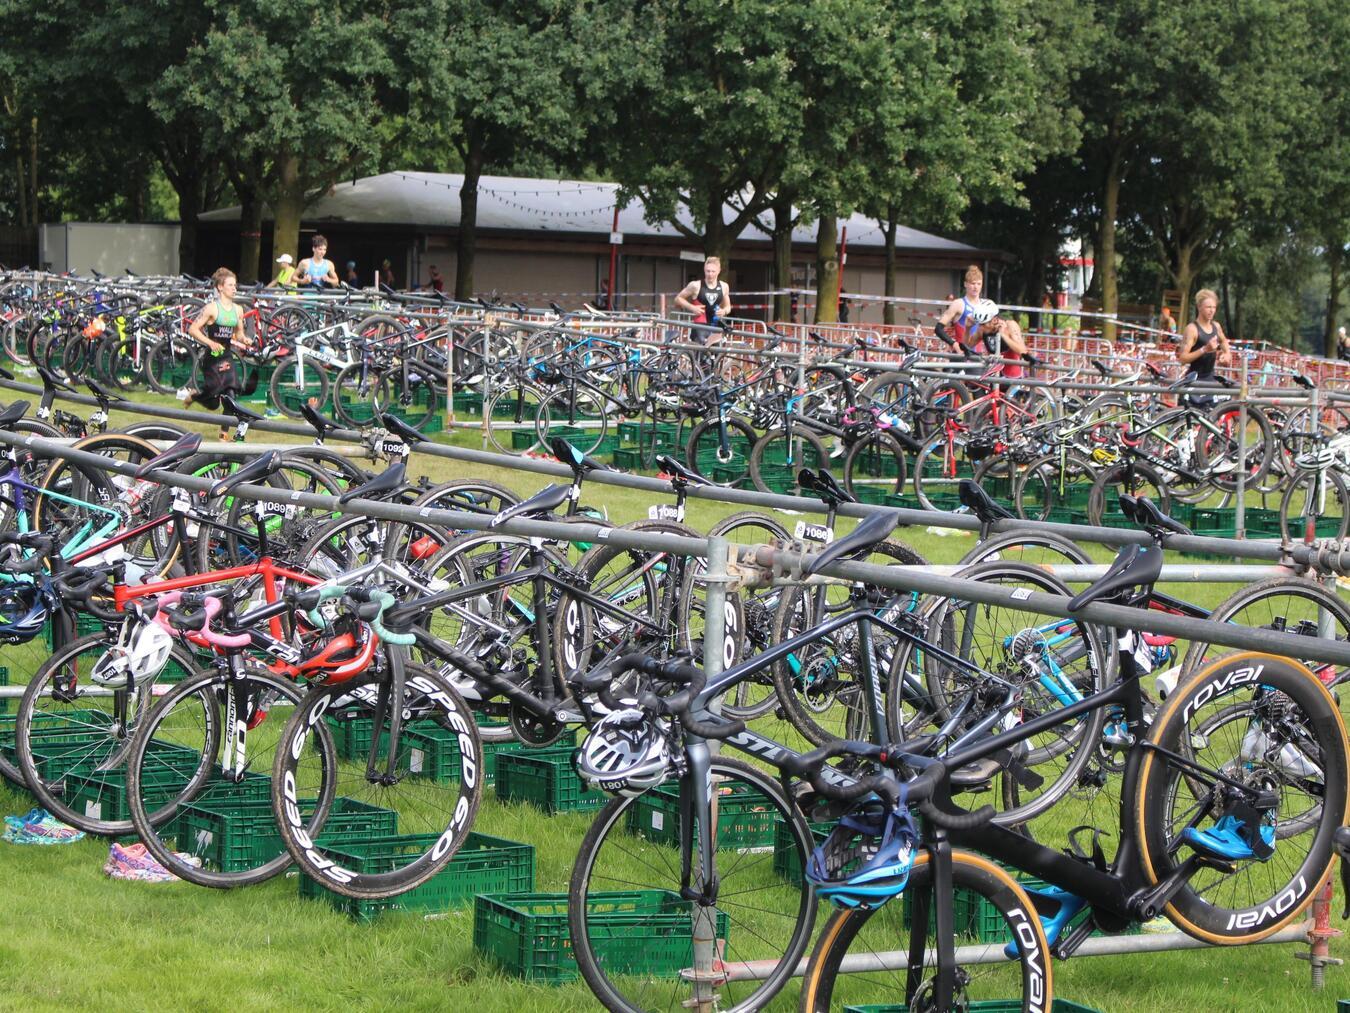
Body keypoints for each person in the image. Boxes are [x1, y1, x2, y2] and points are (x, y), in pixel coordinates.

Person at [182, 267, 250, 439]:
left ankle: (223, 434)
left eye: (235, 285)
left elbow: (239, 333)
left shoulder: (238, 310)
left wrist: (245, 339)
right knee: (213, 402)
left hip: (226, 355)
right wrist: (210, 342)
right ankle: (195, 396)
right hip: (211, 358)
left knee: (231, 395)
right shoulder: (211, 308)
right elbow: (193, 329)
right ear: (220, 287)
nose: (234, 289)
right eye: (230, 285)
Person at [1177, 288, 1232, 385]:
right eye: (1208, 307)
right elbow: (1182, 359)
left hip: (1210, 378)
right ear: (1199, 307)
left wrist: (1227, 353)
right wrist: (1204, 349)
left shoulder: (1216, 326)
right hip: (1194, 380)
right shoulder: (1192, 329)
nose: (1211, 311)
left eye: (1214, 307)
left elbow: (1223, 341)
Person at [673, 256, 731, 340]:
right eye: (708, 271)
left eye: (713, 271)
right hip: (700, 326)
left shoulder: (724, 286)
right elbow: (678, 299)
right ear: (704, 270)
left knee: (717, 351)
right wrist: (692, 307)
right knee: (701, 351)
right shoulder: (695, 285)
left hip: (716, 325)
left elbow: (728, 307)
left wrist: (724, 311)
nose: (710, 274)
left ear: (719, 271)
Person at [971, 302, 1030, 379]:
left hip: (1012, 377)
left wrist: (1003, 335)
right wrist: (967, 328)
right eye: (979, 324)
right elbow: (967, 346)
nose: (981, 327)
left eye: (983, 324)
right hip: (994, 374)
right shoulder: (981, 330)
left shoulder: (1010, 325)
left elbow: (1022, 351)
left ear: (994, 320)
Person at [936, 264, 984, 353]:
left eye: (979, 284)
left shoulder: (985, 306)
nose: (976, 287)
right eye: (973, 283)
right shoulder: (958, 304)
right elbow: (938, 329)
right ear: (965, 284)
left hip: (977, 357)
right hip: (960, 355)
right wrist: (953, 343)